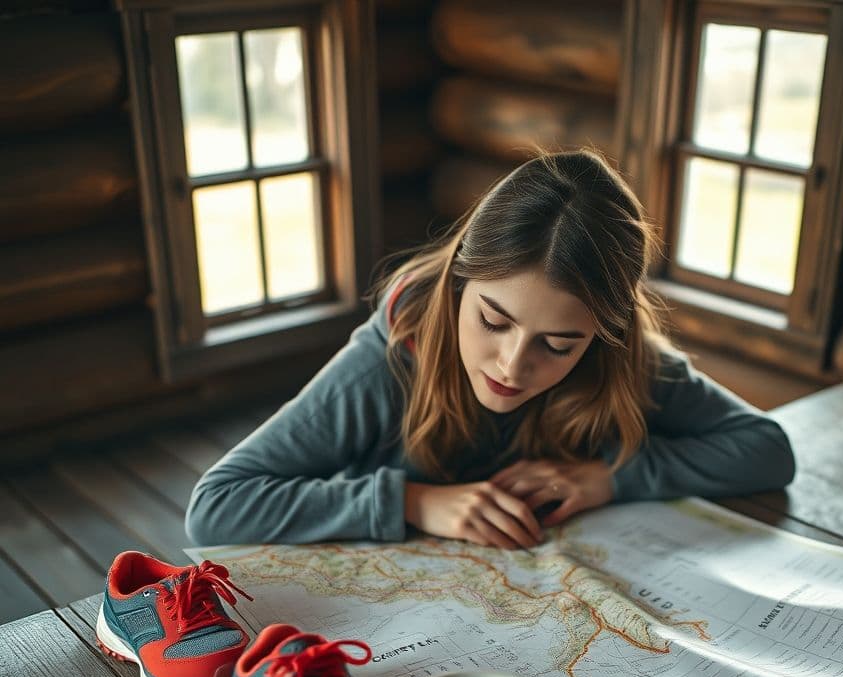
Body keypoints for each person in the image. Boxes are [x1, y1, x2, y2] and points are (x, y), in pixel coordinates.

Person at [185, 147, 796, 550]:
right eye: (493, 321)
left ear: (599, 335)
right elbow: (216, 505)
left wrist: (610, 478)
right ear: (458, 283)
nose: (512, 365)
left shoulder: (620, 358)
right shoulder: (395, 355)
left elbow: (767, 450)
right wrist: (415, 503)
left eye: (558, 345)